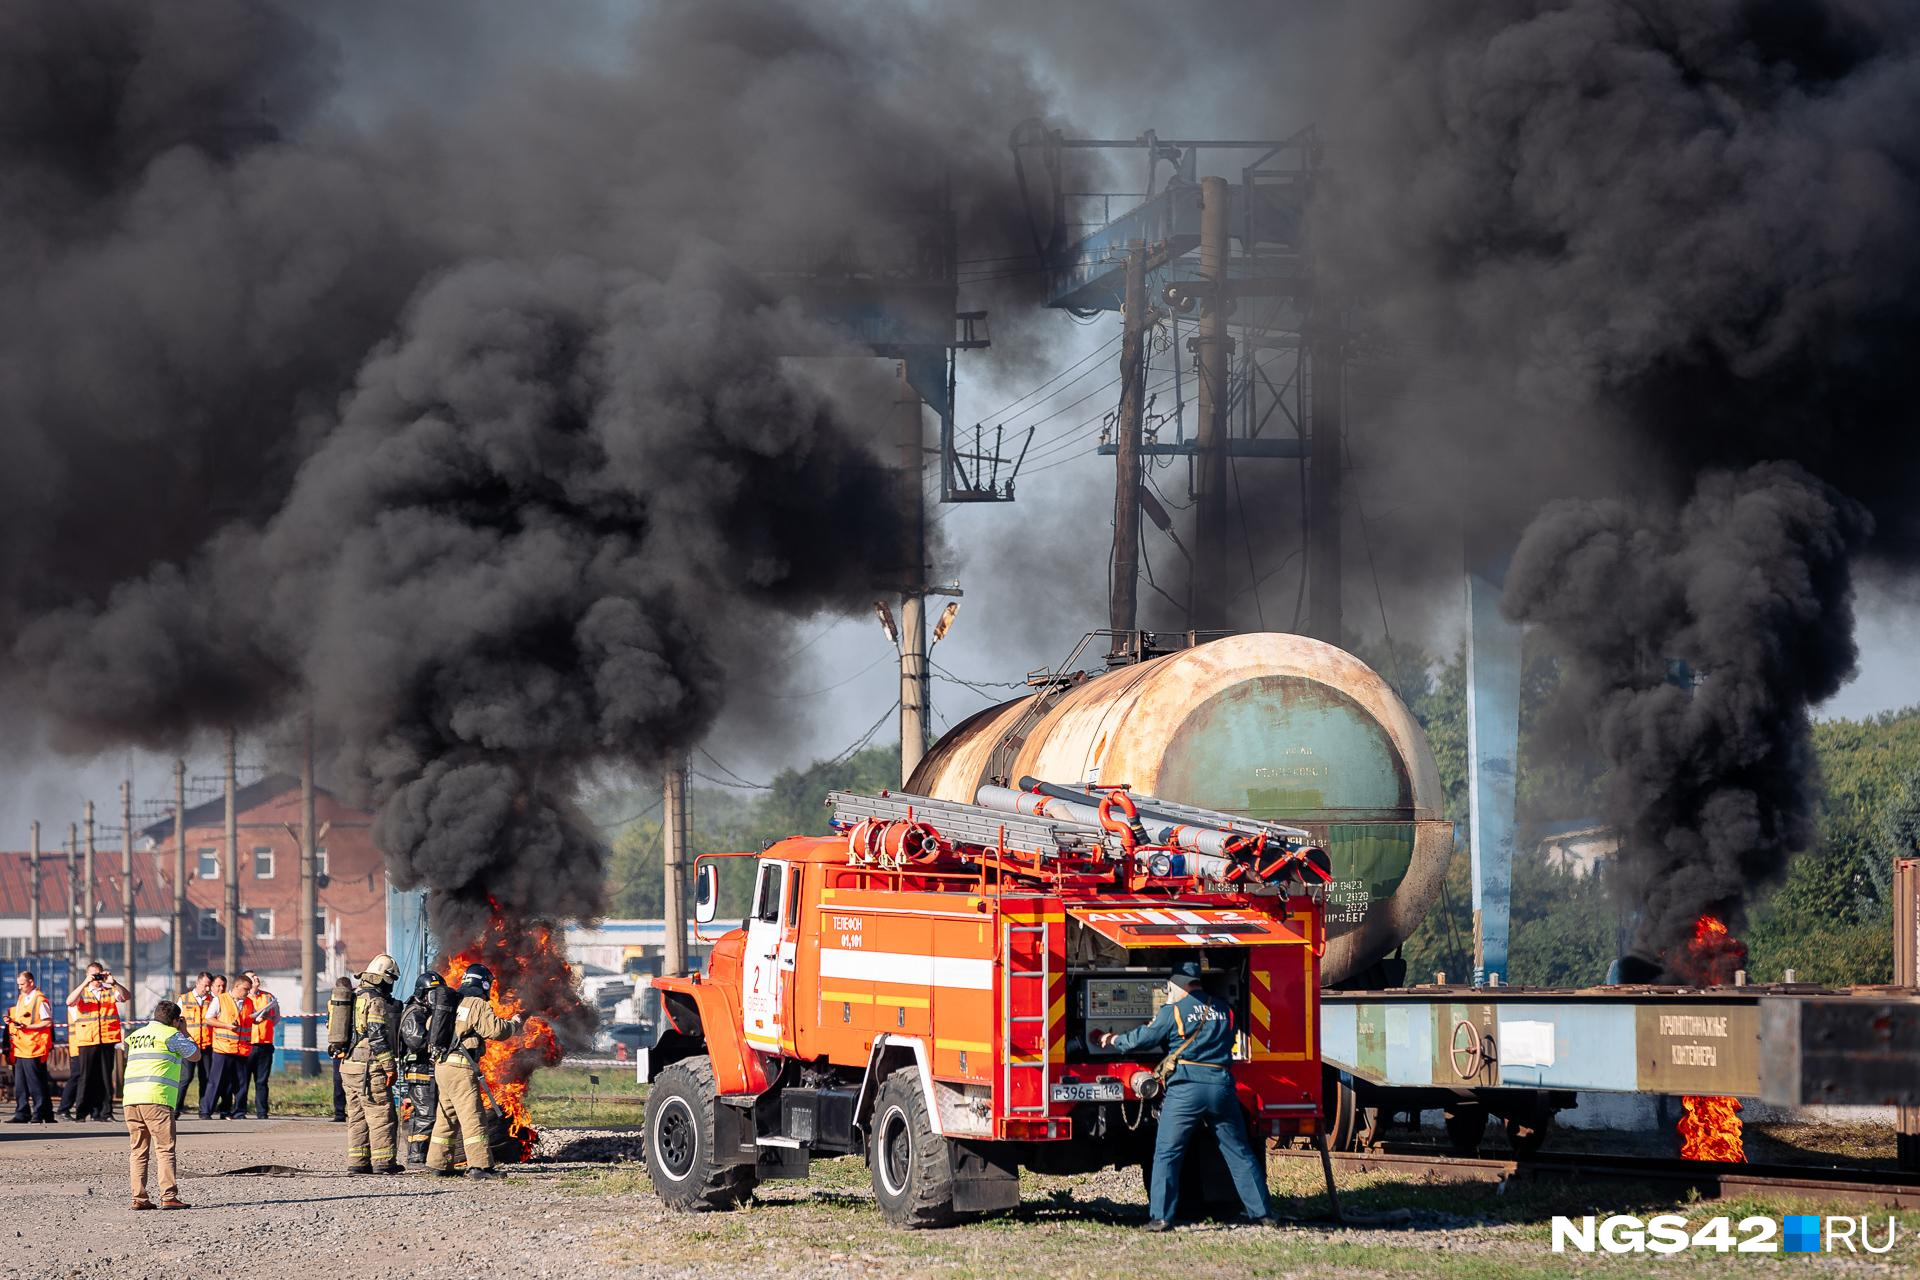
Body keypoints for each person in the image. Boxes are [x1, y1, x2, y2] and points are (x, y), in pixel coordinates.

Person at [1090, 960, 1275, 1230]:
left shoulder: (1173, 1011)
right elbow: (1230, 1036)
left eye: (1169, 988)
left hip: (1187, 1089)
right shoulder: (1225, 1009)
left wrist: (1110, 1040)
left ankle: (1162, 1217)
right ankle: (1263, 1214)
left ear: (1177, 985)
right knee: (1239, 1151)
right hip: (1221, 1086)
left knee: (1167, 1152)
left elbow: (1140, 1040)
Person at [425, 963, 517, 1180]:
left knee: (446, 1116)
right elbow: (493, 1030)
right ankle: (480, 1166)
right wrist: (513, 1025)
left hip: (442, 1065)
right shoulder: (476, 1003)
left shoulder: (452, 1001)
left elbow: (431, 1025)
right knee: (472, 1116)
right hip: (460, 1067)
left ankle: (438, 1163)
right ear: (484, 983)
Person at [123, 1000, 199, 1211]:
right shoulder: (171, 1035)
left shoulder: (135, 1035)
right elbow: (195, 1055)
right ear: (175, 1020)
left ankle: (139, 1198)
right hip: (157, 1098)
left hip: (131, 1098)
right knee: (165, 1149)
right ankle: (169, 1196)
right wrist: (184, 1032)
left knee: (138, 1149)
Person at [341, 954, 404, 1174]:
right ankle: (384, 1163)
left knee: (356, 1116)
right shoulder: (375, 1000)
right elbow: (377, 1036)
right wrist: (389, 1066)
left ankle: (358, 1163)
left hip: (348, 1066)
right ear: (384, 978)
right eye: (391, 981)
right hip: (369, 1069)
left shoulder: (353, 996)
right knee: (381, 1115)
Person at [66, 962, 129, 1122]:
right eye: (93, 974)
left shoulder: (109, 991)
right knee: (86, 1077)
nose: (97, 978)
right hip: (87, 1040)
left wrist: (113, 982)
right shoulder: (83, 992)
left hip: (107, 1039)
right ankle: (82, 1113)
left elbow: (126, 996)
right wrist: (85, 982)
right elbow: (69, 1001)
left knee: (105, 1077)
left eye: (99, 974)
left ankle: (105, 1112)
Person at [397, 972, 444, 1166]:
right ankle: (417, 1158)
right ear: (422, 993)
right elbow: (417, 1041)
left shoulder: (426, 1013)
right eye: (433, 994)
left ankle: (419, 1156)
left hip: (427, 1071)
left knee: (422, 1114)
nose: (436, 999)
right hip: (420, 1072)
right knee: (426, 1115)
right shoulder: (414, 1013)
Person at [199, 974, 254, 1120]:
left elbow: (248, 1022)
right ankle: (206, 1111)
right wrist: (226, 1026)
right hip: (223, 1048)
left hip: (241, 1049)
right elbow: (209, 1019)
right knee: (215, 1081)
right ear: (236, 986)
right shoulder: (220, 1000)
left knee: (241, 1083)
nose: (247, 992)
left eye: (249, 990)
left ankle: (239, 1112)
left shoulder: (249, 1002)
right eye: (245, 989)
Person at [7, 970, 55, 1123]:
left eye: (22, 984)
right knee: (20, 1084)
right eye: (18, 984)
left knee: (35, 1083)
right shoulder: (22, 998)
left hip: (34, 1047)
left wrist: (27, 1027)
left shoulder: (40, 1000)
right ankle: (22, 1113)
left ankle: (39, 1113)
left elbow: (47, 1021)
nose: (20, 987)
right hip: (21, 1047)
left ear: (31, 982)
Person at [233, 971, 278, 1118]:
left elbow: (276, 1017)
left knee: (262, 1081)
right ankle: (240, 1111)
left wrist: (266, 1022)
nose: (256, 978)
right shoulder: (243, 1000)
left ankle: (262, 1112)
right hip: (247, 1043)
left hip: (264, 1044)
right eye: (252, 977)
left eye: (256, 976)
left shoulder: (268, 997)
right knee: (243, 1080)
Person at [174, 973, 216, 1116]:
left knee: (206, 1078)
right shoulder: (184, 999)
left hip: (207, 1045)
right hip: (188, 1045)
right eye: (205, 985)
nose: (208, 988)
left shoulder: (212, 1000)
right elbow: (176, 1022)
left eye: (209, 985)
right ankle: (176, 1109)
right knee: (186, 1078)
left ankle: (204, 1111)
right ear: (197, 983)